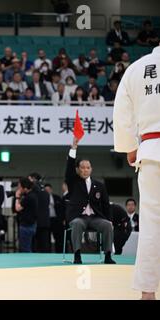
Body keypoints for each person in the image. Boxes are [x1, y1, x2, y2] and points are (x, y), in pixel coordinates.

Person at [113, 43, 160, 299]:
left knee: (152, 226)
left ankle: (147, 293)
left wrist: (130, 147)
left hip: (151, 149)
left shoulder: (137, 68)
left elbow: (122, 113)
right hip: (150, 146)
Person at [65, 136, 116, 265]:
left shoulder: (99, 185)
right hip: (79, 217)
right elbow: (69, 166)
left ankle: (108, 256)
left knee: (107, 225)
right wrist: (73, 148)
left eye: (88, 167)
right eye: (82, 167)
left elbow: (106, 204)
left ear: (91, 169)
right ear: (77, 169)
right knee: (76, 224)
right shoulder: (73, 181)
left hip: (95, 218)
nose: (85, 170)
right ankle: (77, 255)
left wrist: (109, 220)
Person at [14, 177, 38, 252]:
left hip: (26, 225)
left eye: (20, 187)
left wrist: (17, 197)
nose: (19, 189)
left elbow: (17, 208)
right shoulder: (33, 195)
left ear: (25, 187)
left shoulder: (28, 197)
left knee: (25, 248)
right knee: (28, 246)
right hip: (32, 224)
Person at [29, 173, 51, 253]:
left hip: (36, 221)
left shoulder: (33, 193)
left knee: (35, 244)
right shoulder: (46, 193)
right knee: (44, 243)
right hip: (45, 221)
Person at [44, 183, 66, 253]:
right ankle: (47, 252)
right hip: (47, 220)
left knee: (58, 237)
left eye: (48, 189)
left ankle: (59, 252)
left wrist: (63, 219)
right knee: (46, 238)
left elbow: (62, 209)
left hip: (56, 220)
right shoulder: (42, 199)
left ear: (51, 190)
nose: (47, 191)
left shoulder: (57, 198)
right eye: (46, 190)